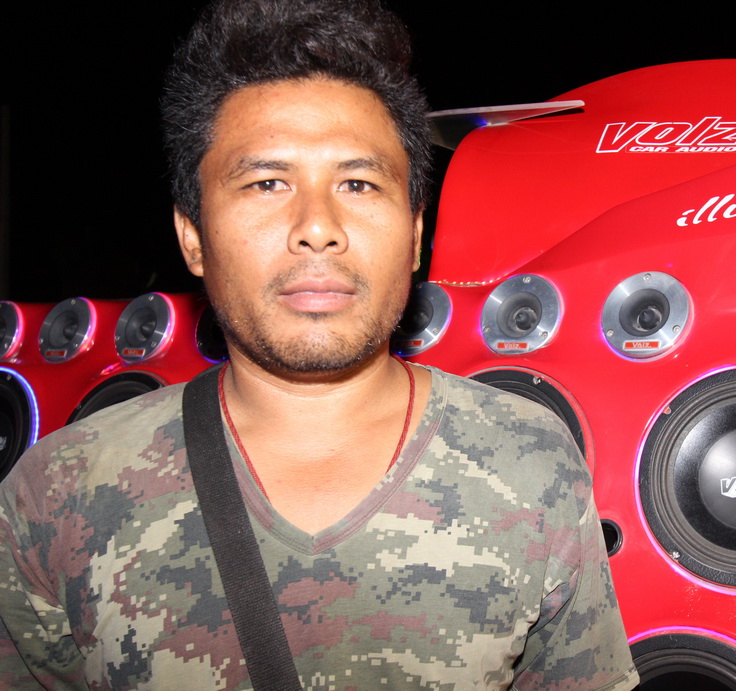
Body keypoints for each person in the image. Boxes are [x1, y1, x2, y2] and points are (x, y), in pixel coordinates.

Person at [0, 0, 639, 688]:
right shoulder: (60, 491)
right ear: (192, 236)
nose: (316, 226)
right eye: (267, 182)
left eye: (358, 183)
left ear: (415, 234)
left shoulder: (529, 460)